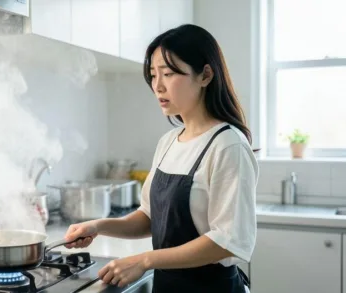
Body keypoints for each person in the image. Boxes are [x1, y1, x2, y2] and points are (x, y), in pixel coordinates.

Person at [63, 24, 259, 293]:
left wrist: (145, 260)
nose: (158, 85)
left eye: (168, 73)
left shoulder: (227, 145)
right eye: (153, 75)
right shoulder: (168, 142)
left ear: (205, 75)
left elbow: (228, 240)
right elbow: (150, 217)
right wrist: (98, 226)